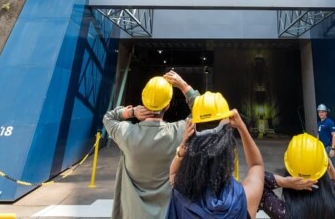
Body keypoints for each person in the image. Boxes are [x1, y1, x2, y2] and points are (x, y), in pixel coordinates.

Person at [103, 71, 198, 219]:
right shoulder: (179, 132)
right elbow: (202, 111)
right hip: (168, 213)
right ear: (167, 105)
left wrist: (131, 112)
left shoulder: (126, 133)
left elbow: (108, 118)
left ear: (144, 101)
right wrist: (183, 86)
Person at [167, 91, 265, 219]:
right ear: (226, 144)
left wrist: (184, 143)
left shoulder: (180, 194)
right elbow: (256, 165)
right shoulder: (245, 198)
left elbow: (172, 173)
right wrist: (242, 127)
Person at [259, 133, 335, 219]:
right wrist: (329, 165)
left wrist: (284, 182)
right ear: (324, 168)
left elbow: (258, 181)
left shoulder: (283, 214)